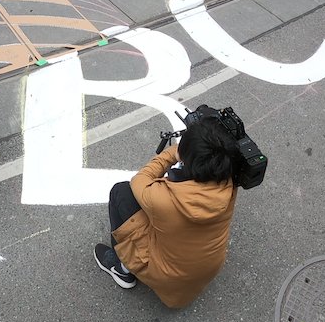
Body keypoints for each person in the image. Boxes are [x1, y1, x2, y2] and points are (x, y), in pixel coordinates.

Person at [93, 114, 238, 306]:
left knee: (121, 192)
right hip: (206, 269)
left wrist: (174, 152)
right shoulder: (231, 182)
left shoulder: (164, 199)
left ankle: (122, 268)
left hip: (168, 275)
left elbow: (140, 180)